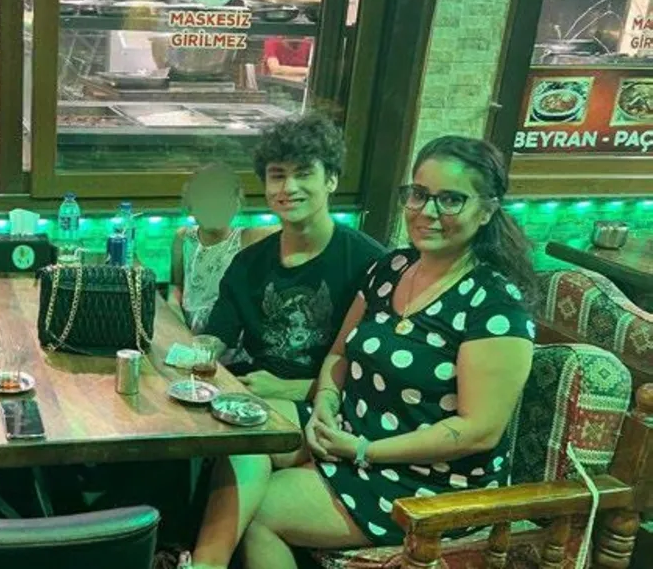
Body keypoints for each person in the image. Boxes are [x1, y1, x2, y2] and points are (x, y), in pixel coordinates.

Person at [186, 136, 538, 569]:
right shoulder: (390, 268)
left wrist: (364, 450)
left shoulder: (496, 305)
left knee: (263, 510)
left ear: (486, 210)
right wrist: (325, 403)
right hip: (352, 427)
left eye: (451, 200)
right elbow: (339, 355)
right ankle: (204, 564)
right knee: (246, 432)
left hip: (428, 477)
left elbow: (478, 431)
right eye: (419, 194)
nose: (428, 211)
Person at [204, 115, 383, 404]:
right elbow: (216, 335)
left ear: (331, 180)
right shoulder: (248, 263)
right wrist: (189, 357)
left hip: (331, 405)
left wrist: (293, 389)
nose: (288, 187)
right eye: (277, 176)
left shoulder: (372, 264)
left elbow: (379, 375)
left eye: (303, 174)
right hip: (255, 391)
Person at [170, 163, 274, 333]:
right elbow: (176, 287)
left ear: (236, 204)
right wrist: (177, 324)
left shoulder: (246, 239)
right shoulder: (183, 238)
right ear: (190, 205)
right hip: (188, 336)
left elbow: (289, 228)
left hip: (230, 339)